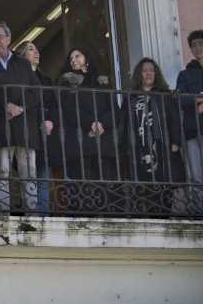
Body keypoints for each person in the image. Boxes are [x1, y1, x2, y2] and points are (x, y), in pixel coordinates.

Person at [55, 48, 116, 213]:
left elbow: (113, 109)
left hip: (103, 142)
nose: (73, 60)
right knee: (82, 186)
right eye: (71, 58)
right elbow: (69, 109)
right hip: (79, 142)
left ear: (86, 59)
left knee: (105, 186)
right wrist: (91, 123)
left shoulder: (103, 82)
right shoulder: (66, 82)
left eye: (77, 56)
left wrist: (103, 123)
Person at [0, 23, 42, 212]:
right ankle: (3, 212)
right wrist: (5, 105)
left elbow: (36, 91)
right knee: (2, 170)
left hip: (24, 123)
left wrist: (20, 107)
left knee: (29, 171)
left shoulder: (23, 63)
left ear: (9, 39)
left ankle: (32, 212)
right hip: (2, 124)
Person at [120, 58, 184, 213]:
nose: (148, 73)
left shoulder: (164, 94)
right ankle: (150, 215)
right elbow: (124, 123)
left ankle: (164, 215)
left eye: (151, 70)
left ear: (156, 74)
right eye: (144, 71)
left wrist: (176, 141)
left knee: (165, 183)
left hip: (163, 147)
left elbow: (175, 118)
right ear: (139, 75)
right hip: (139, 148)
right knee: (143, 185)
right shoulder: (130, 97)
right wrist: (125, 146)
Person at [16, 41, 56, 213]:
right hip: (27, 130)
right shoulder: (18, 77)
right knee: (28, 175)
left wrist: (50, 120)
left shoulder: (46, 79)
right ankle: (32, 214)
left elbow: (54, 105)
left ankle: (44, 215)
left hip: (45, 132)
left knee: (44, 175)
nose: (36, 52)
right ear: (22, 55)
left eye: (37, 49)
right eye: (31, 49)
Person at [175, 30, 203, 212]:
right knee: (196, 176)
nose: (197, 48)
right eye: (193, 45)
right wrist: (198, 100)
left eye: (200, 43)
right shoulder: (185, 75)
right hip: (194, 130)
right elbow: (180, 99)